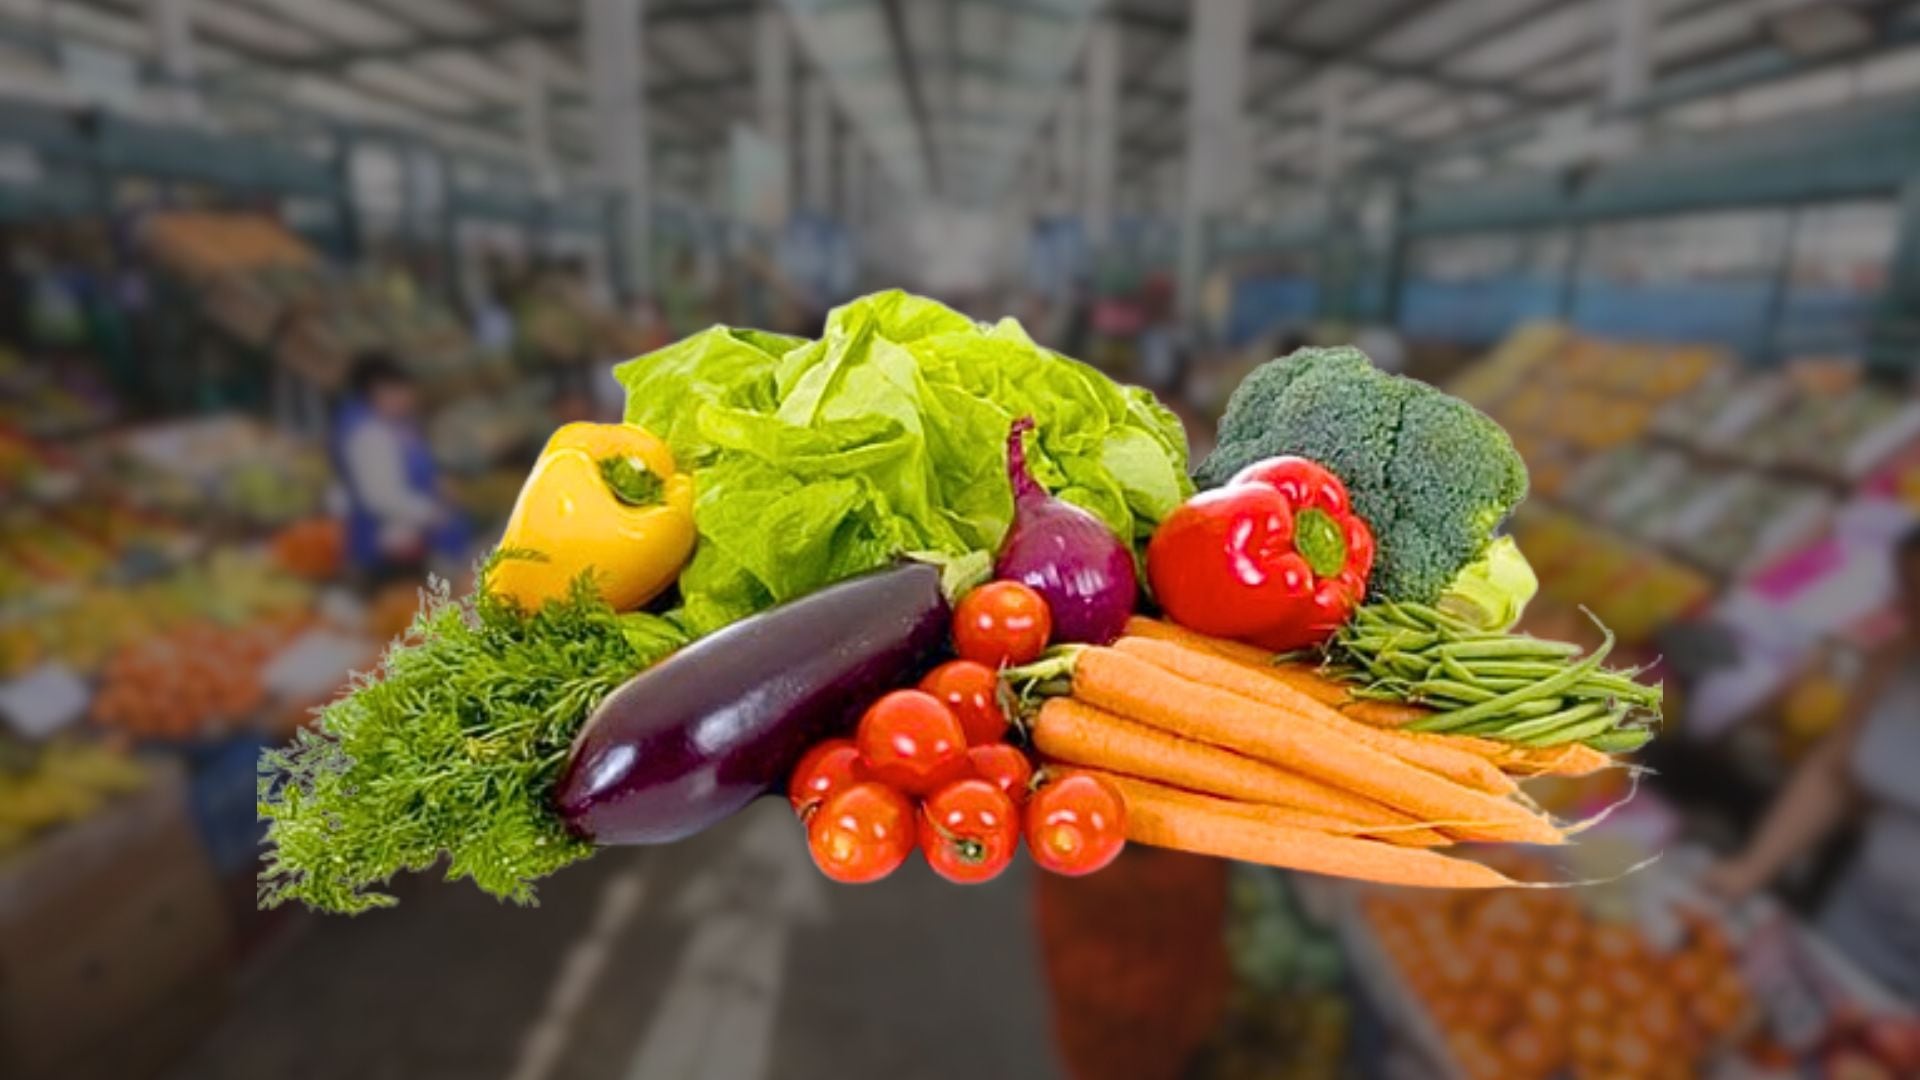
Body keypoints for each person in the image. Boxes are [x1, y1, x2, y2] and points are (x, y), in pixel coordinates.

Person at [1705, 524, 1920, 999]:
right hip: (1854, 930)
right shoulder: (1896, 660)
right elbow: (1834, 774)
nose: (1905, 613)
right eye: (1906, 592)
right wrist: (1751, 869)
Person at [332, 354, 466, 582]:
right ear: (379, 391)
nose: (411, 399)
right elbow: (382, 498)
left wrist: (438, 485)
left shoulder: (394, 423)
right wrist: (434, 514)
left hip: (412, 534)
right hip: (388, 547)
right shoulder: (369, 436)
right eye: (404, 391)